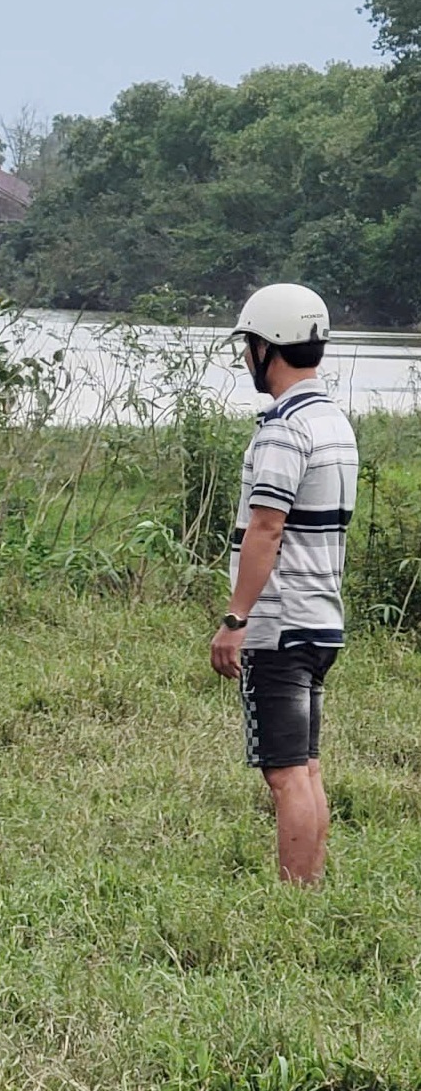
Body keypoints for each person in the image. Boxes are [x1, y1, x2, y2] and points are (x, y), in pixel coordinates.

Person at [210, 283, 359, 885]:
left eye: (249, 346)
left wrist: (236, 618)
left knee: (284, 773)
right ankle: (311, 888)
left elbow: (266, 528)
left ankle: (296, 900)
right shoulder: (333, 422)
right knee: (306, 767)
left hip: (281, 623)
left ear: (267, 349)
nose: (247, 358)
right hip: (322, 617)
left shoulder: (283, 429)